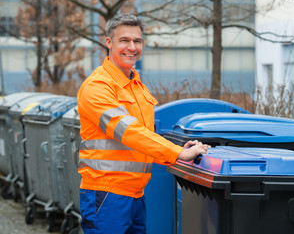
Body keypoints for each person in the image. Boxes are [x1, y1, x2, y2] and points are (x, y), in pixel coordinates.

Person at [77, 13, 210, 234]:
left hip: (136, 193)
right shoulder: (97, 87)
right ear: (108, 43)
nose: (132, 47)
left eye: (137, 41)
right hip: (107, 193)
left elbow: (145, 136)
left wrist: (177, 150)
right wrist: (176, 153)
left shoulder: (136, 86)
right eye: (124, 40)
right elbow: (129, 132)